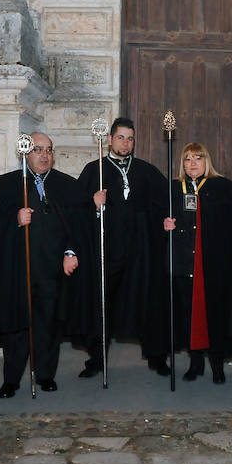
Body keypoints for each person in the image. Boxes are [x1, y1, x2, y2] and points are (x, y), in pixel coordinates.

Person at [0, 133, 91, 397]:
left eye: (49, 150)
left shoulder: (66, 185)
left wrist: (70, 251)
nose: (44, 155)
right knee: (17, 325)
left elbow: (77, 228)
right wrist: (15, 220)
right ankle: (11, 379)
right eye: (37, 150)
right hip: (17, 270)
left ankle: (45, 374)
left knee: (48, 324)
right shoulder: (6, 186)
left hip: (52, 270)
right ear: (24, 153)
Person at [77, 118, 170, 378]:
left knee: (150, 302)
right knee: (102, 303)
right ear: (109, 139)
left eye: (130, 138)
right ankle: (96, 361)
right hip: (109, 251)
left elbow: (165, 201)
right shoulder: (93, 169)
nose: (126, 143)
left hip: (142, 250)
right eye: (121, 137)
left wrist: (166, 220)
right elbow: (75, 213)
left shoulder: (145, 170)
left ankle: (156, 357)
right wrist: (93, 205)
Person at [162, 142, 232, 383]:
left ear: (207, 161)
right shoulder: (173, 189)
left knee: (214, 316)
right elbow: (156, 219)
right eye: (187, 159)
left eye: (198, 158)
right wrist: (165, 225)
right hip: (184, 266)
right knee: (187, 315)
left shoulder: (224, 187)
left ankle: (217, 366)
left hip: (213, 267)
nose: (193, 163)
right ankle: (195, 364)